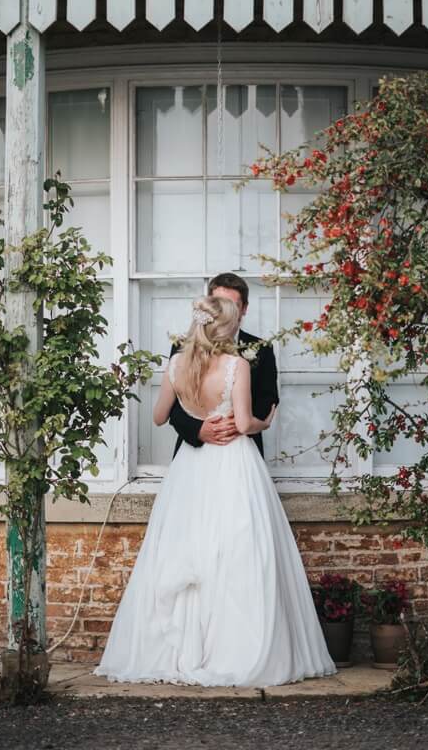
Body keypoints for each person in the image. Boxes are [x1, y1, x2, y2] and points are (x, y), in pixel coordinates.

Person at [94, 294, 337, 686]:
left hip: (189, 470)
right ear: (226, 327)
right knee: (237, 552)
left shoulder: (177, 364)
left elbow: (158, 416)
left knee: (189, 547)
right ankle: (233, 648)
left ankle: (178, 651)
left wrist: (197, 415)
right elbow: (243, 424)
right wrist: (264, 421)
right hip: (233, 464)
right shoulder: (237, 365)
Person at [167, 273, 279, 460]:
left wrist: (238, 425)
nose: (224, 312)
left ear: (244, 309)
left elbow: (269, 397)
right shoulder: (182, 347)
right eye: (219, 303)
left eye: (233, 306)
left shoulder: (261, 348)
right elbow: (172, 404)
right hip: (192, 450)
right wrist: (198, 429)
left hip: (242, 450)